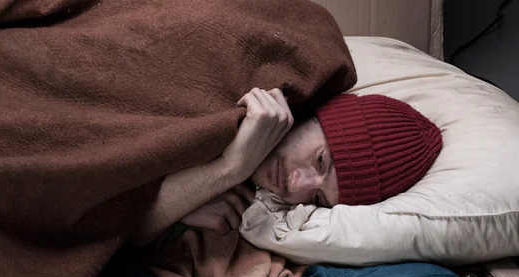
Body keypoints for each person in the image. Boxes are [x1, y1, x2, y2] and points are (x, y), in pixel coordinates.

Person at [130, 88, 442, 245]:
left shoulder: (236, 205)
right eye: (320, 160)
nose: (294, 186)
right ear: (313, 116)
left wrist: (188, 197)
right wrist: (228, 169)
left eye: (318, 198)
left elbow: (106, 232)